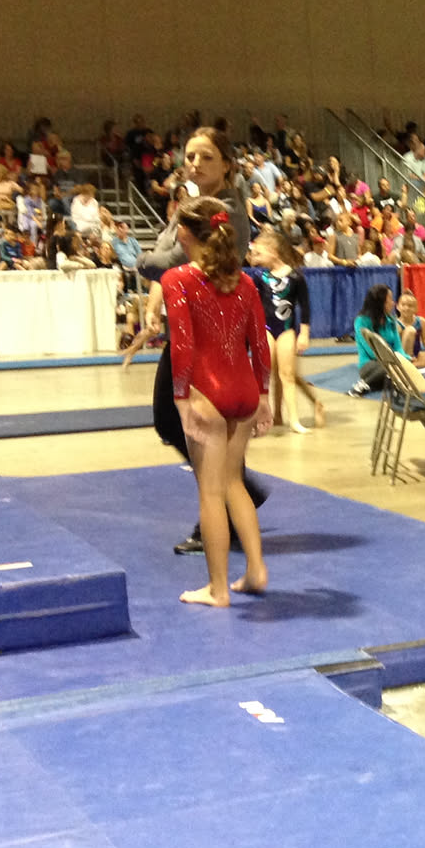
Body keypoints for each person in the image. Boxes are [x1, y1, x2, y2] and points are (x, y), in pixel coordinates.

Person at [137, 125, 267, 556]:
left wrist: (144, 263)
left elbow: (170, 259)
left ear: (227, 165)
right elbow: (172, 262)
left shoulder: (225, 211)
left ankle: (228, 500)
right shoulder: (193, 205)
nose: (195, 163)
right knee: (184, 422)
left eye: (207, 156)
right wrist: (156, 297)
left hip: (212, 333)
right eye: (191, 156)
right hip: (191, 326)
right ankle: (234, 495)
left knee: (186, 420)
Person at [161, 196, 272, 608]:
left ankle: (218, 588)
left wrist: (181, 398)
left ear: (184, 233)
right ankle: (256, 570)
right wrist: (264, 395)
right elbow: (259, 342)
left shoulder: (177, 279)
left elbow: (182, 345)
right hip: (244, 390)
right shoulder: (243, 282)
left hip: (206, 394)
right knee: (232, 483)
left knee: (210, 493)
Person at [251, 226, 327, 433]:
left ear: (273, 252)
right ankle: (266, 416)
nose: (255, 258)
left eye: (259, 253)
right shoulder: (259, 277)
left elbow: (305, 306)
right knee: (266, 373)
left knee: (287, 375)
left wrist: (304, 333)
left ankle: (294, 419)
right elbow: (252, 305)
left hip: (286, 330)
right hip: (266, 329)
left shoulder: (295, 276)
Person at [349, 283, 401, 395]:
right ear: (380, 303)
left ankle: (385, 382)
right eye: (390, 300)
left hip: (392, 360)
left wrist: (405, 358)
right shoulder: (361, 321)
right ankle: (363, 384)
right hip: (371, 365)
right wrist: (395, 360)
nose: (393, 303)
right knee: (390, 367)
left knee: (408, 365)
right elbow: (372, 352)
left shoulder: (391, 320)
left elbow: (398, 346)